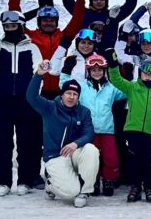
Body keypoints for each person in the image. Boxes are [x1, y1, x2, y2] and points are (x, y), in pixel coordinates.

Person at [0, 11, 43, 196]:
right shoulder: (1, 46)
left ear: (21, 26)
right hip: (3, 100)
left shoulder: (32, 47)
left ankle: (24, 180)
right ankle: (3, 181)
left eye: (13, 26)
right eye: (6, 27)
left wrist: (33, 98)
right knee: (3, 141)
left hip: (25, 101)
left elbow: (39, 73)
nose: (10, 29)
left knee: (25, 141)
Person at [26, 65, 98, 208]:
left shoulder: (83, 112)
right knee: (71, 192)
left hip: (74, 152)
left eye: (75, 94)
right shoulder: (49, 107)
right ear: (62, 94)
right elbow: (31, 96)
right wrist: (39, 75)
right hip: (55, 156)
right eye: (68, 93)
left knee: (91, 150)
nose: (71, 97)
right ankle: (51, 184)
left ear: (78, 97)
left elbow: (89, 133)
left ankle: (85, 192)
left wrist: (75, 144)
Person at [9, 0, 87, 98]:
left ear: (56, 22)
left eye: (52, 20)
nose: (48, 23)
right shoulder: (30, 37)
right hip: (37, 89)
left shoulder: (64, 36)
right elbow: (15, 20)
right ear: (39, 22)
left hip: (60, 90)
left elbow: (77, 21)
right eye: (45, 20)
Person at [106, 51, 151, 203]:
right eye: (145, 72)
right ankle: (135, 187)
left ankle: (150, 187)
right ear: (140, 73)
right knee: (133, 160)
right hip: (133, 130)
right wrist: (113, 65)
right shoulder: (133, 87)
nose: (148, 75)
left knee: (149, 161)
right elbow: (116, 80)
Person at [60, 54, 125, 197]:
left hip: (107, 129)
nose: (97, 72)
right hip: (88, 130)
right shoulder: (82, 87)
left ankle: (108, 180)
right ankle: (93, 181)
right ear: (88, 71)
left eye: (100, 69)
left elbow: (125, 92)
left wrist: (125, 75)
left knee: (111, 157)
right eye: (93, 70)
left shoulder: (111, 88)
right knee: (91, 157)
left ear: (104, 71)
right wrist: (66, 70)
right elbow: (64, 87)